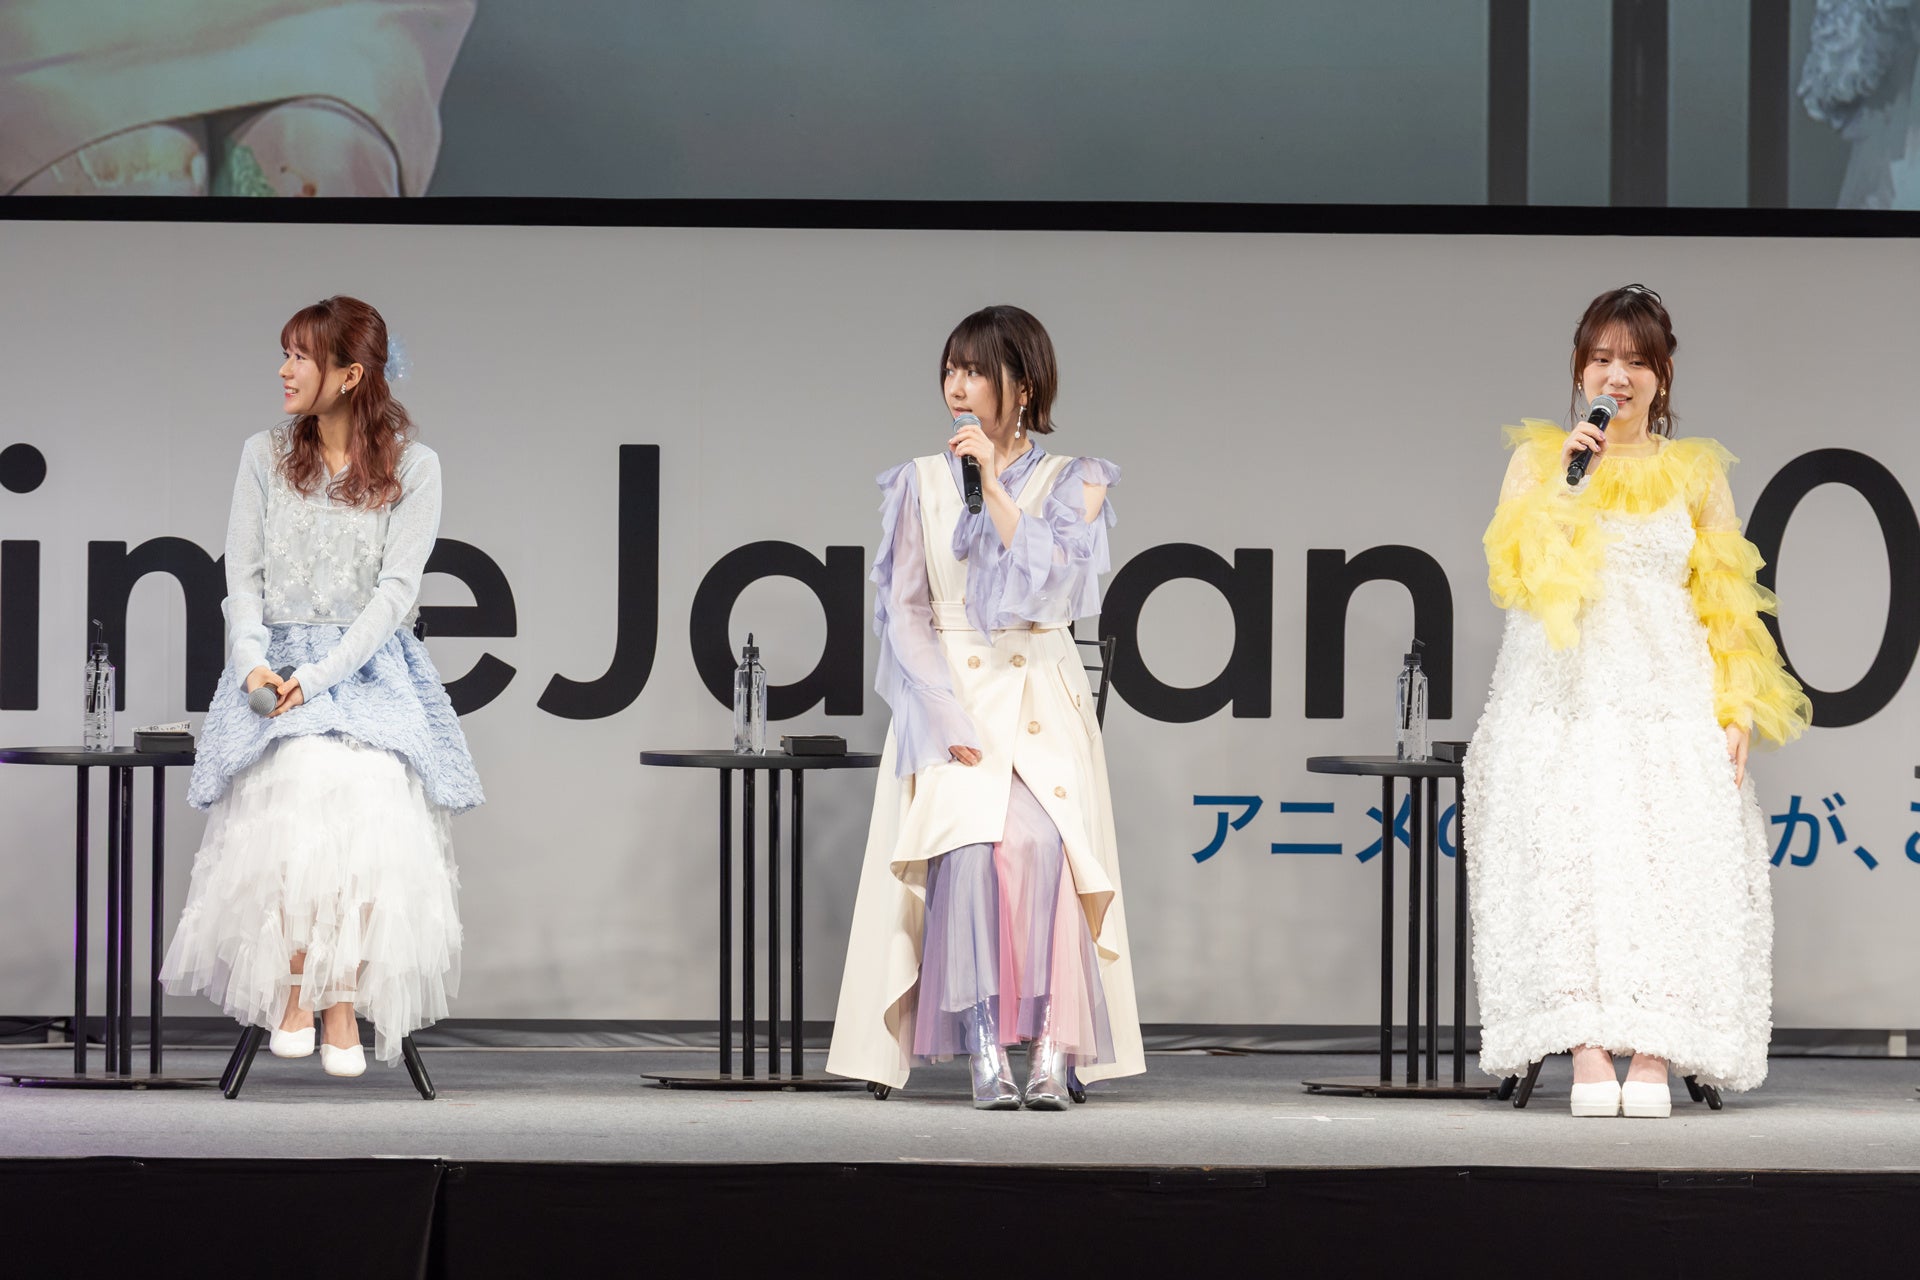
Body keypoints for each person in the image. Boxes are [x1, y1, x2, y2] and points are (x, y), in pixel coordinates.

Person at [1465, 284, 1811, 1118]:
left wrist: (1736, 704)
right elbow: (1517, 578)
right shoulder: (1540, 462)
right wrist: (1568, 485)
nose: (1616, 377)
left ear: (1662, 376)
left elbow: (1725, 598)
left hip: (1665, 693)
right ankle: (1585, 1045)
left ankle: (1654, 1049)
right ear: (1579, 370)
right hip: (1562, 692)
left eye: (1634, 362)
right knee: (1566, 859)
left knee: (1670, 860)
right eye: (1601, 359)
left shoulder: (1695, 473)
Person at [827, 305, 1145, 1108]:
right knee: (968, 845)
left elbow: (1058, 586)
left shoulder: (1079, 478)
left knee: (1047, 845)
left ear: (1023, 385)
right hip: (954, 701)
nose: (957, 388)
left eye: (975, 371)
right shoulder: (920, 481)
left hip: (1041, 693)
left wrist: (996, 489)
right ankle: (982, 1045)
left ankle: (1052, 1047)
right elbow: (905, 611)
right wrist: (942, 713)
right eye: (950, 370)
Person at [161, 295, 481, 1077]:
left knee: (373, 790)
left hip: (367, 671)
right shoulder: (264, 455)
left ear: (350, 375)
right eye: (287, 354)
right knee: (299, 779)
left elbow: (394, 597)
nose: (284, 370)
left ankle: (337, 1000)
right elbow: (243, 580)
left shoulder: (415, 467)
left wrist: (320, 677)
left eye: (300, 357)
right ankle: (303, 992)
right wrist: (252, 664)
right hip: (277, 665)